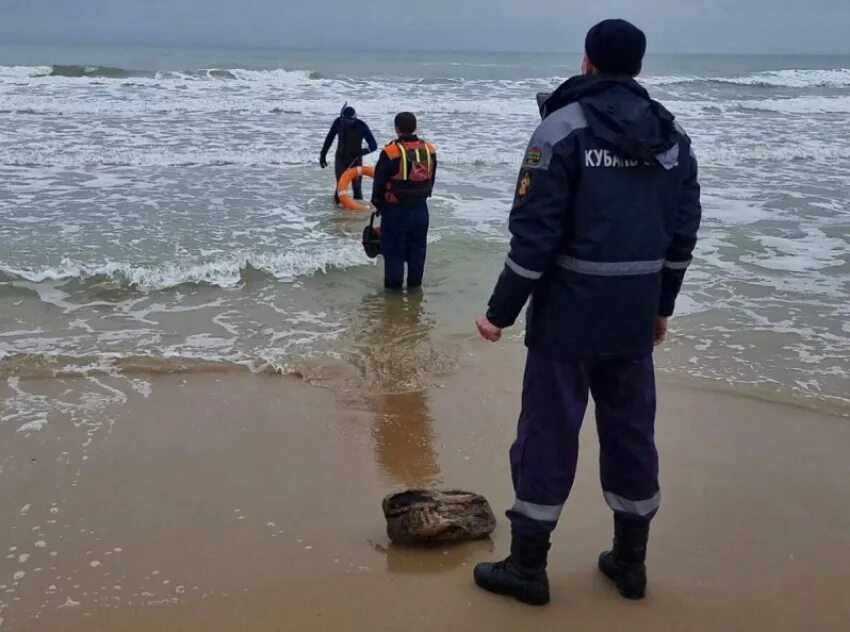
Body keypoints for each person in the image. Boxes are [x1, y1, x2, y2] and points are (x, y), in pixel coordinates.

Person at [472, 19, 702, 605]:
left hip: (567, 321)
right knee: (631, 434)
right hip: (632, 317)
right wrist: (662, 308)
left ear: (587, 62)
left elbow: (534, 234)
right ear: (639, 68)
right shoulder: (671, 137)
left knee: (548, 433)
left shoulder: (560, 129)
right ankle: (630, 563)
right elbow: (682, 233)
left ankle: (528, 568)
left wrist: (500, 313)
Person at [371, 112, 438, 291]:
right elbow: (431, 181)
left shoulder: (390, 152)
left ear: (396, 129)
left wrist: (377, 203)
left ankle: (393, 299)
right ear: (415, 128)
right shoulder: (429, 150)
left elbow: (378, 182)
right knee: (418, 252)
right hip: (421, 210)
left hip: (395, 211)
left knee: (394, 253)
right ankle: (415, 290)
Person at [319, 104, 378, 202]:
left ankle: (357, 214)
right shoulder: (338, 122)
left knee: (357, 188)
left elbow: (373, 145)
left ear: (354, 119)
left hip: (356, 159)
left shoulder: (361, 125)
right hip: (340, 158)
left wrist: (360, 152)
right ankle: (337, 214)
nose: (346, 124)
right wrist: (323, 154)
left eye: (349, 121)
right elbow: (329, 138)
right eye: (344, 121)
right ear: (341, 118)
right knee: (340, 187)